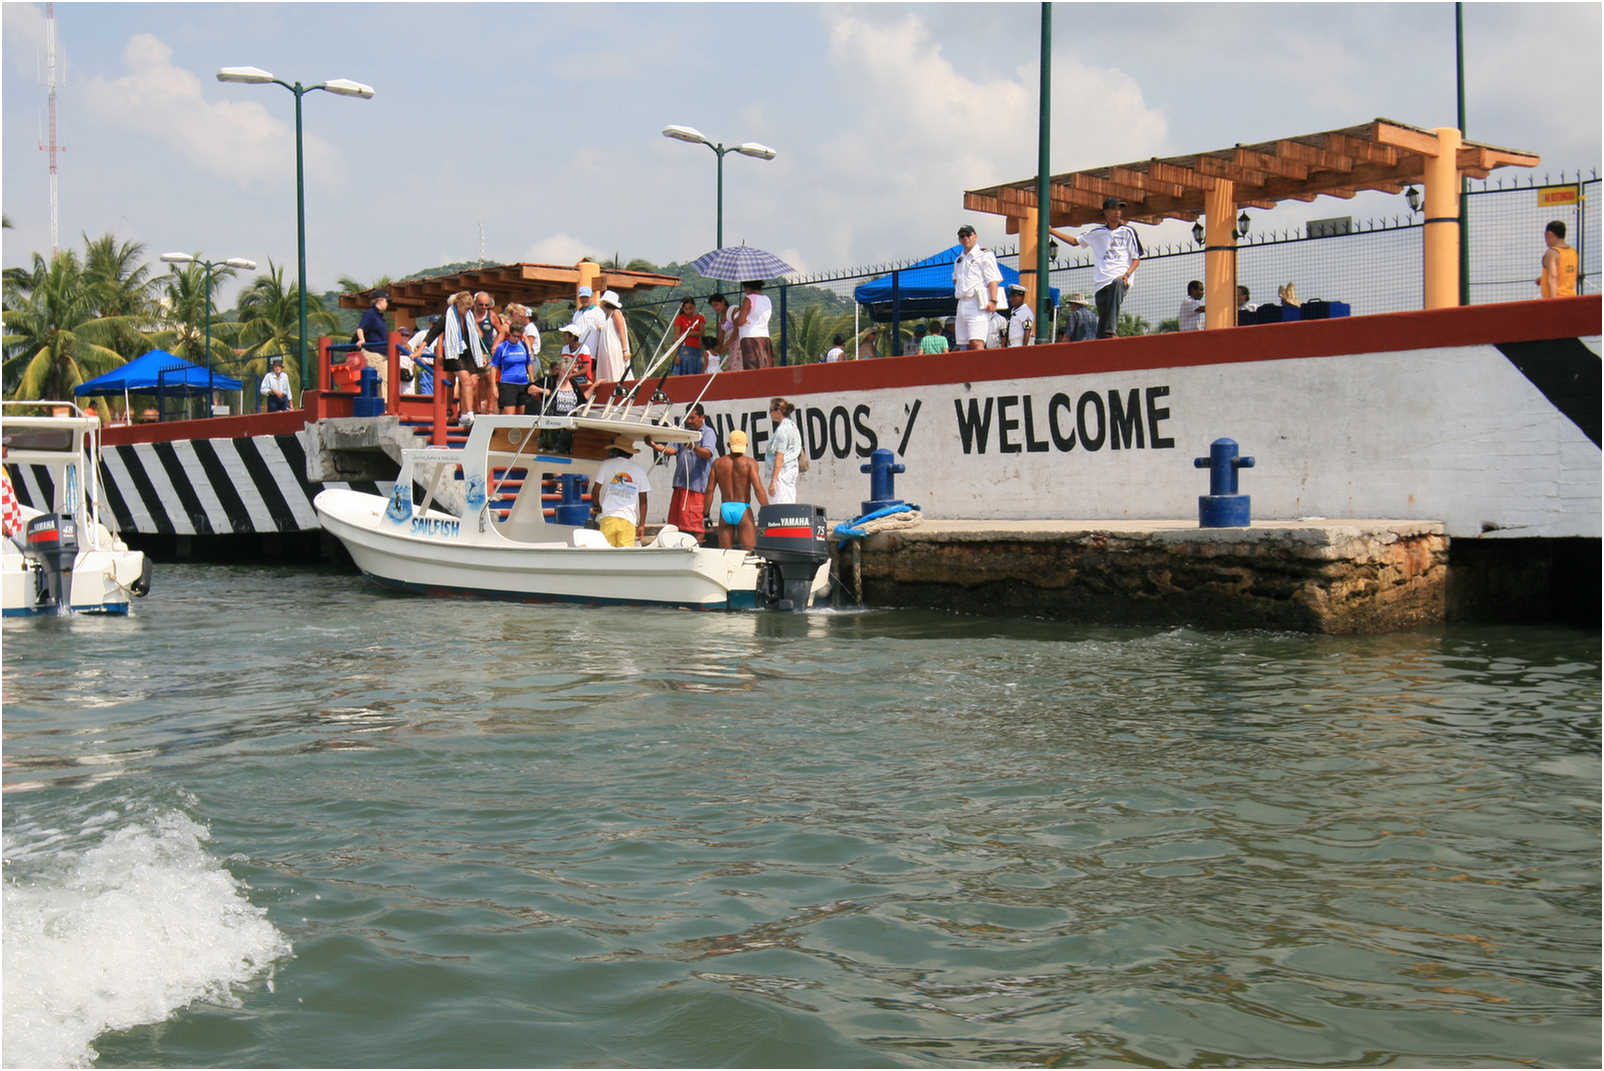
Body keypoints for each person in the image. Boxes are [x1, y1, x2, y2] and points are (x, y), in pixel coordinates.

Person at [1051, 197, 1142, 339]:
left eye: (1120, 209)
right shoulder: (1098, 232)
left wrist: (1127, 274)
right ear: (1106, 212)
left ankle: (1112, 330)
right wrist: (1051, 231)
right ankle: (1101, 342)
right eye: (1114, 209)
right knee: (1103, 319)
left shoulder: (1128, 232)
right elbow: (1075, 241)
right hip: (1101, 283)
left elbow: (1136, 258)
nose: (1118, 212)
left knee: (1116, 286)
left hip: (1120, 279)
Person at [648, 403, 716, 541]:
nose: (689, 421)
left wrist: (693, 447)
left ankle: (696, 551)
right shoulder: (683, 432)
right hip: (681, 486)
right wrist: (654, 445)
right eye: (687, 418)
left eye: (692, 418)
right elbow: (672, 450)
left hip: (696, 488)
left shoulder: (708, 432)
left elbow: (708, 453)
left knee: (696, 526)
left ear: (702, 417)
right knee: (677, 524)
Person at [709, 429, 769, 551]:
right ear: (746, 445)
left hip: (725, 509)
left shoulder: (718, 463)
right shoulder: (750, 463)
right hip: (743, 509)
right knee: (750, 554)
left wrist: (705, 514)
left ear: (728, 445)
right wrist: (767, 510)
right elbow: (758, 488)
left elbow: (710, 490)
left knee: (725, 556)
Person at [591, 437, 651, 547]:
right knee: (625, 557)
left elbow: (595, 491)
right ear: (631, 454)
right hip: (628, 520)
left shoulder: (606, 464)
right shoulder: (639, 470)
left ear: (616, 451)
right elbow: (643, 500)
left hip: (608, 518)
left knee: (605, 554)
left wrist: (597, 506)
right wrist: (642, 524)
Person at [953, 223, 1002, 350]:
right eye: (962, 236)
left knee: (977, 341)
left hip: (977, 301)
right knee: (965, 343)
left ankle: (983, 369)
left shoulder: (984, 255)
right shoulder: (959, 260)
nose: (966, 238)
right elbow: (955, 280)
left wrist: (993, 300)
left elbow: (993, 279)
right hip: (962, 302)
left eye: (968, 235)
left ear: (975, 236)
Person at [441, 290, 485, 423]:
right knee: (460, 382)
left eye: (469, 308)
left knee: (470, 383)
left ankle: (465, 412)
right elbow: (439, 336)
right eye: (465, 308)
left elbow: (479, 335)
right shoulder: (448, 318)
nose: (467, 310)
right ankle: (458, 411)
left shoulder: (469, 317)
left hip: (467, 353)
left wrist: (478, 345)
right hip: (452, 353)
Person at [490, 303, 537, 414]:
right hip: (506, 370)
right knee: (504, 406)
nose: (523, 319)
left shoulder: (521, 333)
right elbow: (497, 342)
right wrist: (495, 351)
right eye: (521, 317)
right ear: (515, 315)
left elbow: (526, 342)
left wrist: (532, 381)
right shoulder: (506, 327)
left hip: (521, 378)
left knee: (522, 412)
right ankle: (492, 413)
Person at [765, 397, 803, 504]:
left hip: (782, 473)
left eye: (771, 410)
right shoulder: (792, 426)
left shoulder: (782, 430)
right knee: (789, 504)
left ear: (778, 411)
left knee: (779, 507)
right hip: (791, 469)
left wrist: (773, 481)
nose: (770, 414)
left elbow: (779, 457)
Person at [732, 280, 775, 370]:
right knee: (765, 368)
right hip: (765, 338)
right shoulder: (767, 299)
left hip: (750, 338)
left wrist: (735, 316)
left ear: (748, 287)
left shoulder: (749, 299)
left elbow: (740, 321)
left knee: (752, 368)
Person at [353, 291, 390, 391]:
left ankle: (384, 402)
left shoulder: (380, 316)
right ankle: (383, 404)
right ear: (380, 300)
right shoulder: (370, 313)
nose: (388, 304)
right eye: (386, 301)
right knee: (381, 379)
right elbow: (360, 328)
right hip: (374, 352)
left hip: (382, 353)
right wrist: (362, 340)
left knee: (385, 379)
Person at [594, 289, 632, 383]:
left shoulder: (616, 313)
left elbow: (622, 331)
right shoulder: (607, 316)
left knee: (615, 372)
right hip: (606, 351)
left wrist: (625, 349)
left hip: (615, 349)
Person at [1537, 220, 1579, 298]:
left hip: (1557, 298)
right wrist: (1543, 280)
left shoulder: (1552, 253)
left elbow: (1553, 277)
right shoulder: (1573, 252)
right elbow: (1570, 275)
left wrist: (1554, 302)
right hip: (1572, 297)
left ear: (1549, 234)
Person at [670, 297, 706, 375]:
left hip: (696, 350)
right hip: (683, 350)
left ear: (694, 307)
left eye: (690, 308)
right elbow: (676, 337)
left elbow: (702, 332)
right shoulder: (679, 318)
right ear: (683, 309)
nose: (689, 311)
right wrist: (676, 355)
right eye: (686, 309)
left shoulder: (700, 318)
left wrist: (688, 333)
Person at [571, 285, 608, 358]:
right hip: (579, 353)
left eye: (586, 297)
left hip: (593, 352)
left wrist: (599, 349)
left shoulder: (598, 312)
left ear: (591, 297)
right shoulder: (576, 314)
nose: (584, 300)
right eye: (582, 297)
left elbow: (603, 332)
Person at [707, 293, 736, 371]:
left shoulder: (733, 310)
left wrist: (725, 346)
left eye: (716, 305)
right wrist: (714, 350)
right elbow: (720, 340)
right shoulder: (720, 320)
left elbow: (738, 329)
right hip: (732, 347)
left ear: (723, 302)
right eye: (713, 307)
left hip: (740, 343)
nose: (715, 308)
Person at [1002, 283, 1035, 347]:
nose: (1011, 299)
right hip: (1011, 344)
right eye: (1011, 296)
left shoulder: (1025, 312)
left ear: (1022, 297)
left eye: (1014, 297)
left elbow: (1027, 330)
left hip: (1019, 344)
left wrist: (1023, 348)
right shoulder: (1014, 310)